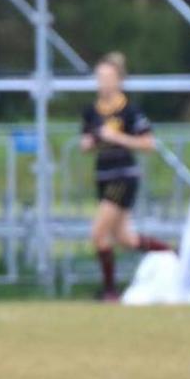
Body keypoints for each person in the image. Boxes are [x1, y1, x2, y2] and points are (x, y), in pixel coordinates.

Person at [80, 53, 171, 302]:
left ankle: (109, 291)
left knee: (98, 232)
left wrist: (116, 137)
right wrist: (92, 141)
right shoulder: (92, 111)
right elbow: (85, 143)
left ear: (119, 80)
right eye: (99, 77)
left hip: (124, 175)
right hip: (103, 175)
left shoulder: (130, 110)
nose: (102, 82)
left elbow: (148, 143)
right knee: (125, 238)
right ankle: (172, 255)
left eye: (107, 77)